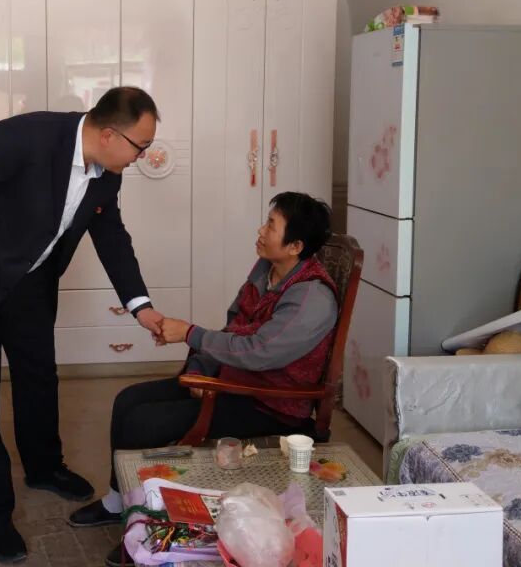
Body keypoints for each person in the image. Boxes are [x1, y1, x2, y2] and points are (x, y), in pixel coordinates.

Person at [0, 86, 166, 563]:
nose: (142, 157)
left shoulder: (107, 175)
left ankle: (44, 466)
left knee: (39, 377)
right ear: (109, 134)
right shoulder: (23, 138)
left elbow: (111, 235)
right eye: (140, 146)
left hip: (29, 283)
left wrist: (140, 306)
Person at [67, 192, 338, 567]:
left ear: (295, 246)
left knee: (144, 423)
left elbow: (260, 351)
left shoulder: (312, 297)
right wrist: (200, 367)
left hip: (268, 402)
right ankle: (118, 504)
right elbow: (235, 326)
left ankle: (148, 530)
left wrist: (190, 334)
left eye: (271, 226)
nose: (261, 231)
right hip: (231, 380)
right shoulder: (267, 269)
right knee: (127, 400)